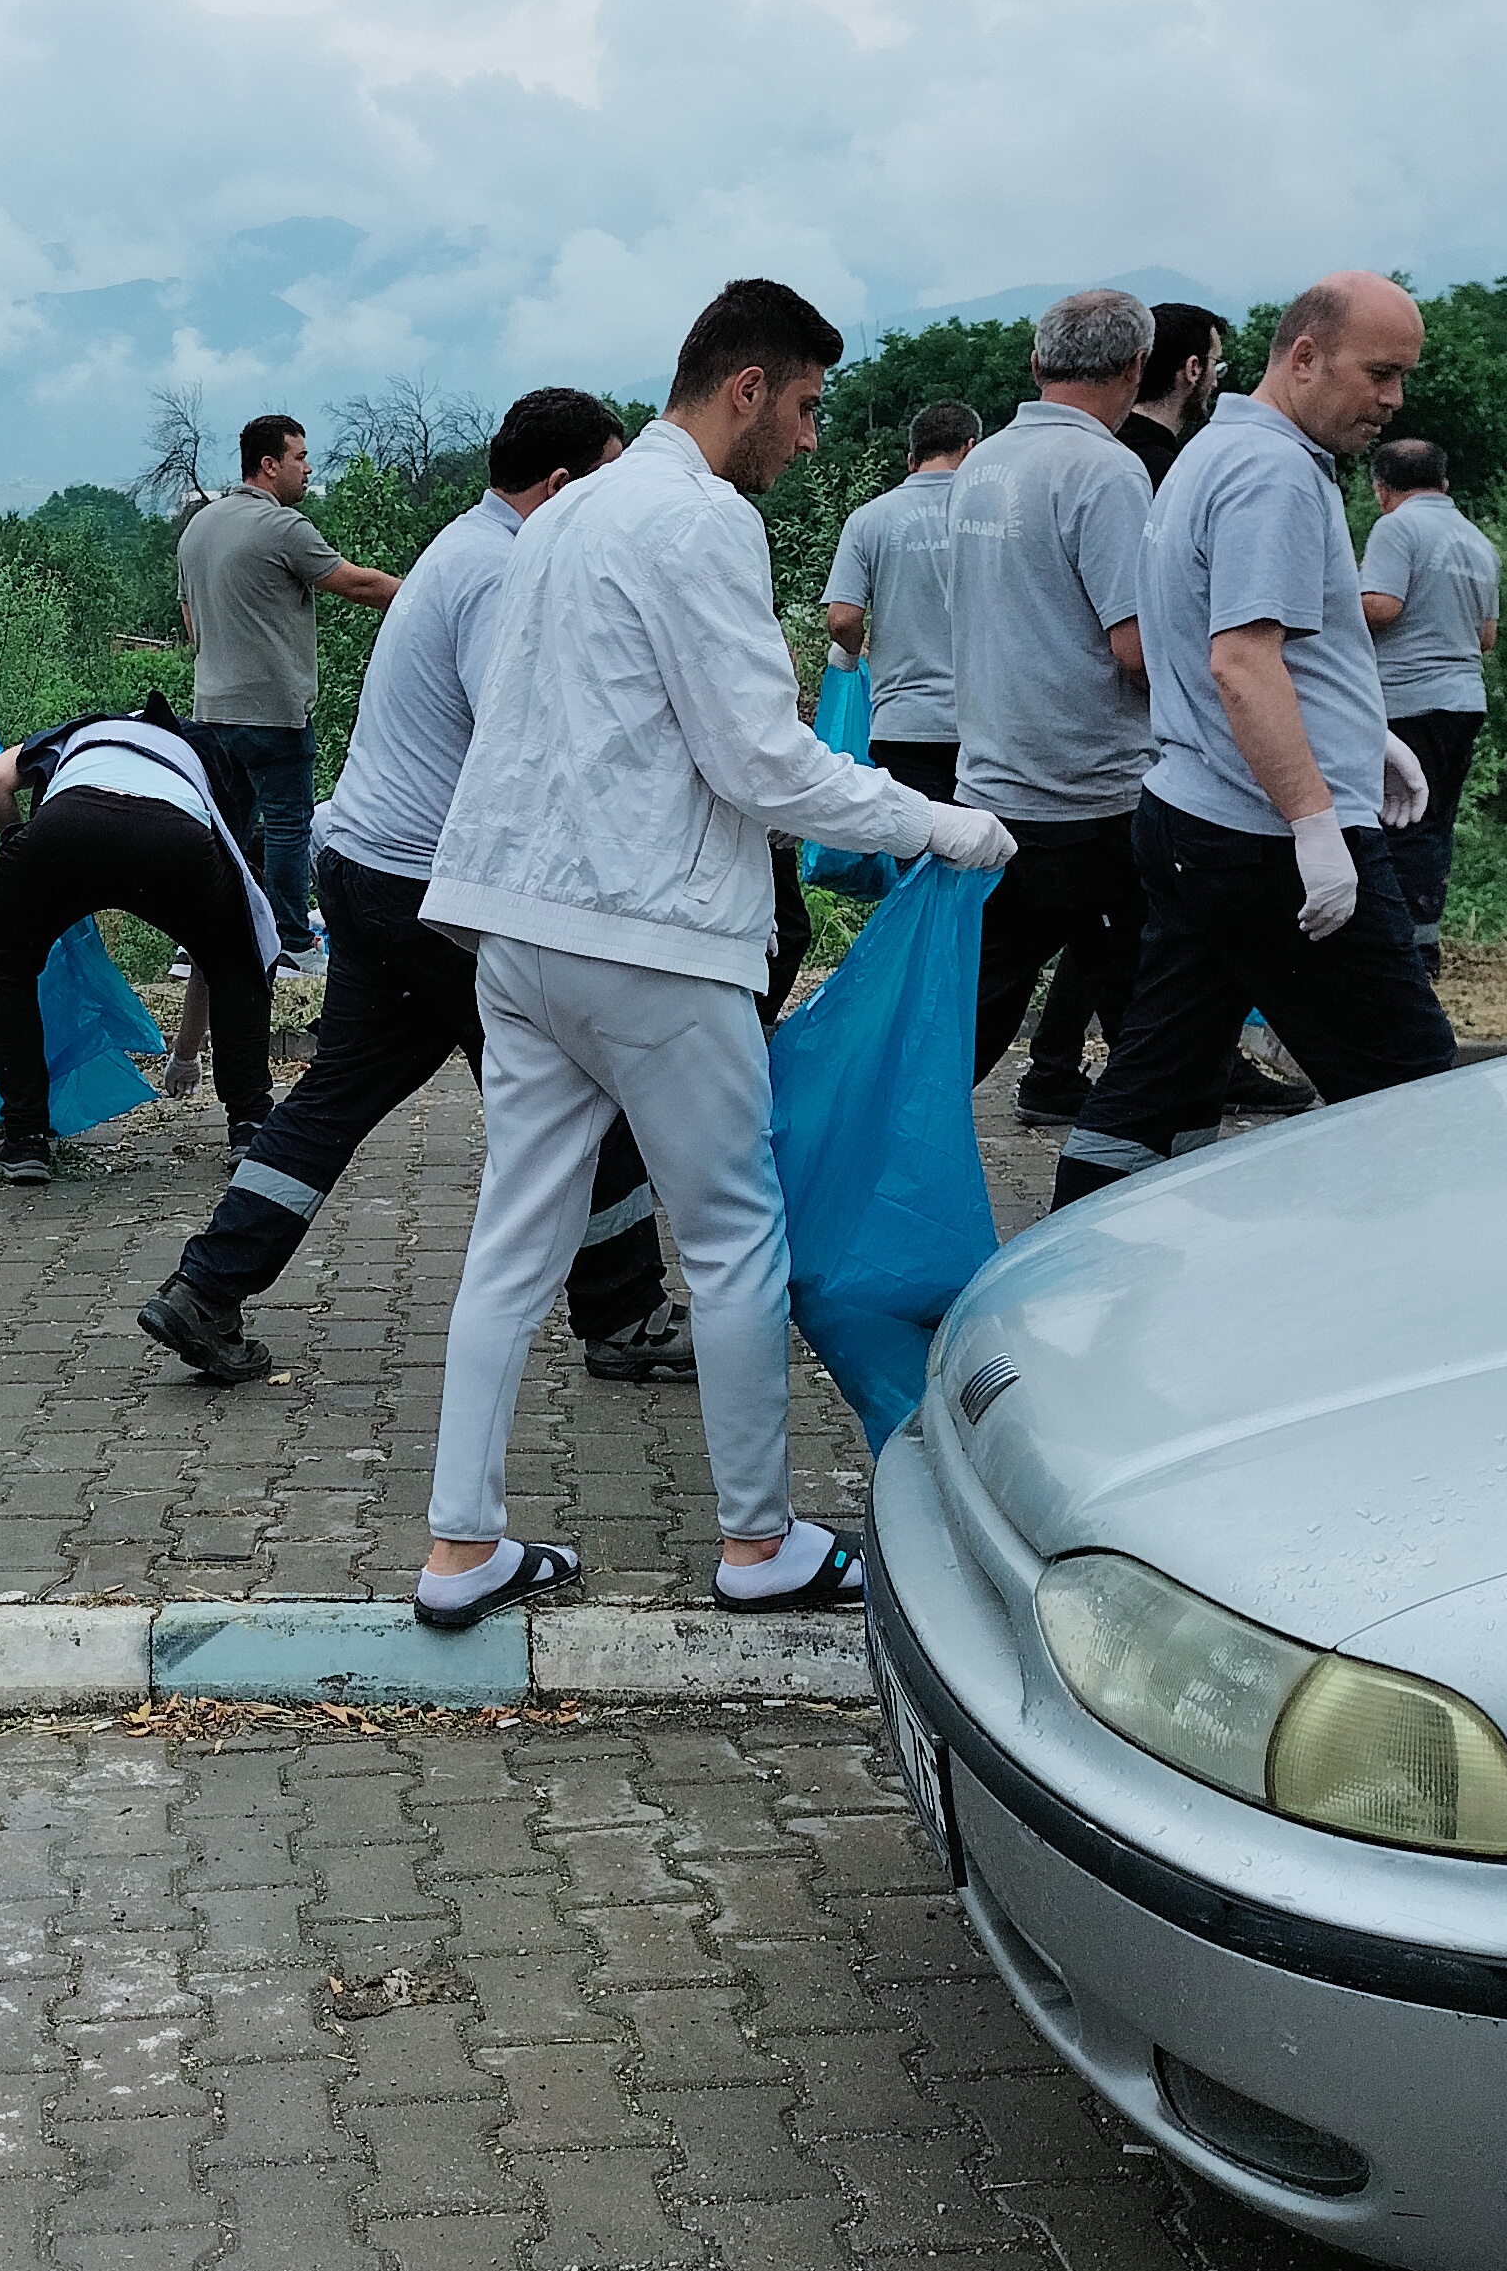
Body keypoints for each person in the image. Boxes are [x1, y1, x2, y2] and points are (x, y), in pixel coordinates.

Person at [408, 278, 1014, 1629]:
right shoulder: (700, 517)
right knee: (737, 1234)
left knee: (515, 1235)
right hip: (654, 940)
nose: (806, 439)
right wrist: (946, 827)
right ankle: (757, 1544)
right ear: (745, 387)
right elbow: (759, 760)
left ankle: (460, 1548)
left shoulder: (564, 516)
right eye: (802, 408)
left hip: (517, 926)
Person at [136, 388, 689, 1391]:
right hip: (430, 891)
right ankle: (627, 1315)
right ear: (561, 486)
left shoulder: (470, 548)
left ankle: (206, 1287)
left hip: (370, 871)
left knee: (337, 1094)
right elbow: (520, 743)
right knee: (588, 1085)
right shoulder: (505, 572)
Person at [1054, 273, 1448, 1208]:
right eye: (1379, 373)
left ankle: (1080, 1266)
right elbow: (1241, 659)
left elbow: (1238, 640)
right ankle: (1437, 1293)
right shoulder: (1271, 473)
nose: (1392, 401)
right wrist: (1318, 821)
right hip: (1266, 834)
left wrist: (1363, 732)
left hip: (1195, 814)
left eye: (1404, 379)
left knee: (1163, 1077)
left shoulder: (1215, 446)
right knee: (1422, 1088)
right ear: (1303, 357)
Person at [945, 289, 1158, 1106]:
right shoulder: (1106, 468)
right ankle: (1139, 1167)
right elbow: (1134, 648)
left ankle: (875, 1159)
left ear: (1036, 364)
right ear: (1136, 368)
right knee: (1151, 1012)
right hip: (1094, 796)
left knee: (971, 1016)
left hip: (994, 786)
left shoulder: (984, 462)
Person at [0, 701, 279, 1185]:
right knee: (236, 960)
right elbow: (210, 958)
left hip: (65, 827)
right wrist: (184, 1053)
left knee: (7, 968)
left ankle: (25, 1138)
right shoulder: (198, 747)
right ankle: (251, 1122)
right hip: (173, 837)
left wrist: (20, 849)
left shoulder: (80, 729)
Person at [173, 414, 400, 968]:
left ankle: (199, 942)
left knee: (222, 831)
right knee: (289, 828)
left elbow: (190, 622)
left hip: (211, 710)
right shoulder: (284, 527)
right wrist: (432, 596)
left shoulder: (198, 526)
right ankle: (292, 942)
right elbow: (357, 584)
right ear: (270, 465)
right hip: (276, 712)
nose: (308, 467)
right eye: (300, 457)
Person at [1359, 436, 1498, 977]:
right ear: (1444, 484)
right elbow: (1486, 636)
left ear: (1381, 490)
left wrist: (1331, 594)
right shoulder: (1478, 541)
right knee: (1435, 822)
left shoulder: (1397, 527)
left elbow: (1383, 607)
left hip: (1407, 701)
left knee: (1399, 821)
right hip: (1464, 699)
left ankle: (1400, 950)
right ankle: (1424, 940)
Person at [821, 400, 980, 798]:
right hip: (985, 725)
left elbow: (842, 620)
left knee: (921, 850)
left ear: (911, 459)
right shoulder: (992, 515)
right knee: (987, 849)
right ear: (972, 448)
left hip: (901, 725)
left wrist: (853, 655)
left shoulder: (868, 520)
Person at [1121, 299, 1231, 490]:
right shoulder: (1173, 478)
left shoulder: (1104, 445)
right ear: (1193, 369)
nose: (1215, 382)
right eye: (1215, 364)